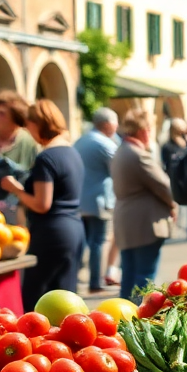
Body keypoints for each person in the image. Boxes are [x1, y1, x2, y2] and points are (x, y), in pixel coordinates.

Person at [1, 100, 84, 311]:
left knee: (37, 303)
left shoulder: (46, 157)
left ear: (38, 124)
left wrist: (16, 189)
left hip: (51, 234)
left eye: (29, 126)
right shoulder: (71, 152)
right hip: (73, 229)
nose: (28, 132)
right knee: (65, 303)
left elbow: (41, 204)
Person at [112, 109, 177, 301]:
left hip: (127, 221)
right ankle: (138, 318)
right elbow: (164, 185)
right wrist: (172, 205)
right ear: (143, 130)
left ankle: (122, 316)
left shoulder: (122, 150)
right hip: (144, 223)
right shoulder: (138, 154)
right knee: (144, 278)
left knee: (130, 275)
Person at [74, 108, 119, 292]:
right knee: (98, 242)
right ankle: (94, 282)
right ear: (108, 124)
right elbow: (119, 170)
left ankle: (76, 279)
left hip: (80, 200)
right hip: (99, 201)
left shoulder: (81, 140)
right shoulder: (105, 144)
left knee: (84, 242)